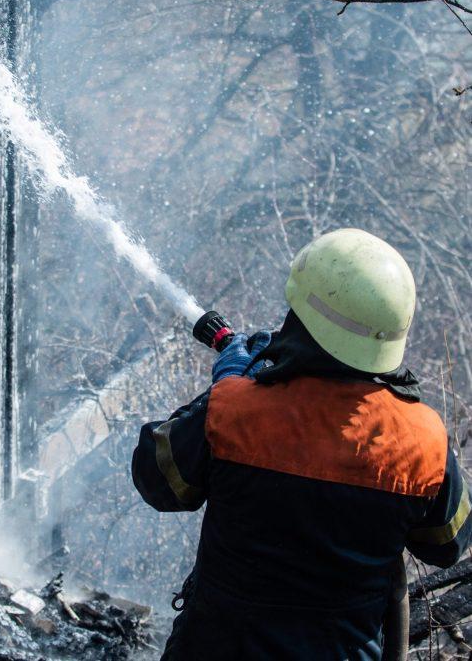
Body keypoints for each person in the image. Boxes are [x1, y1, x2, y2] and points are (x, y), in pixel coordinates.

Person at [132, 228, 472, 660]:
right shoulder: (423, 441)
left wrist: (227, 387)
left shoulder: (234, 413)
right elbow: (448, 543)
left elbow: (155, 478)